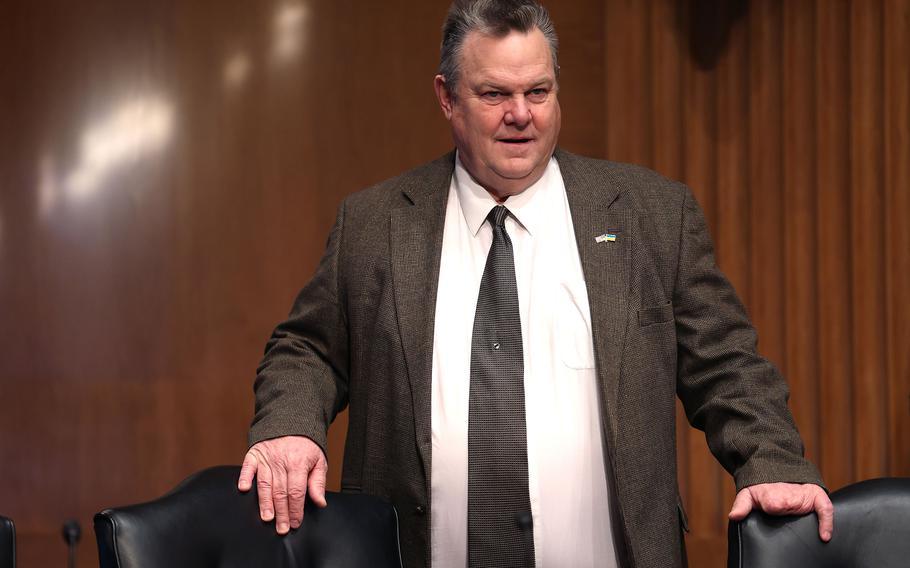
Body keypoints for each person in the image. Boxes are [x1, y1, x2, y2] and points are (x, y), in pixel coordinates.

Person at [237, 1, 833, 566]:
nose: (520, 114)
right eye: (494, 93)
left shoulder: (650, 213)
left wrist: (772, 460)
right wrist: (291, 427)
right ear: (447, 98)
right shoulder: (375, 223)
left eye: (538, 92)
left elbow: (725, 363)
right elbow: (306, 348)